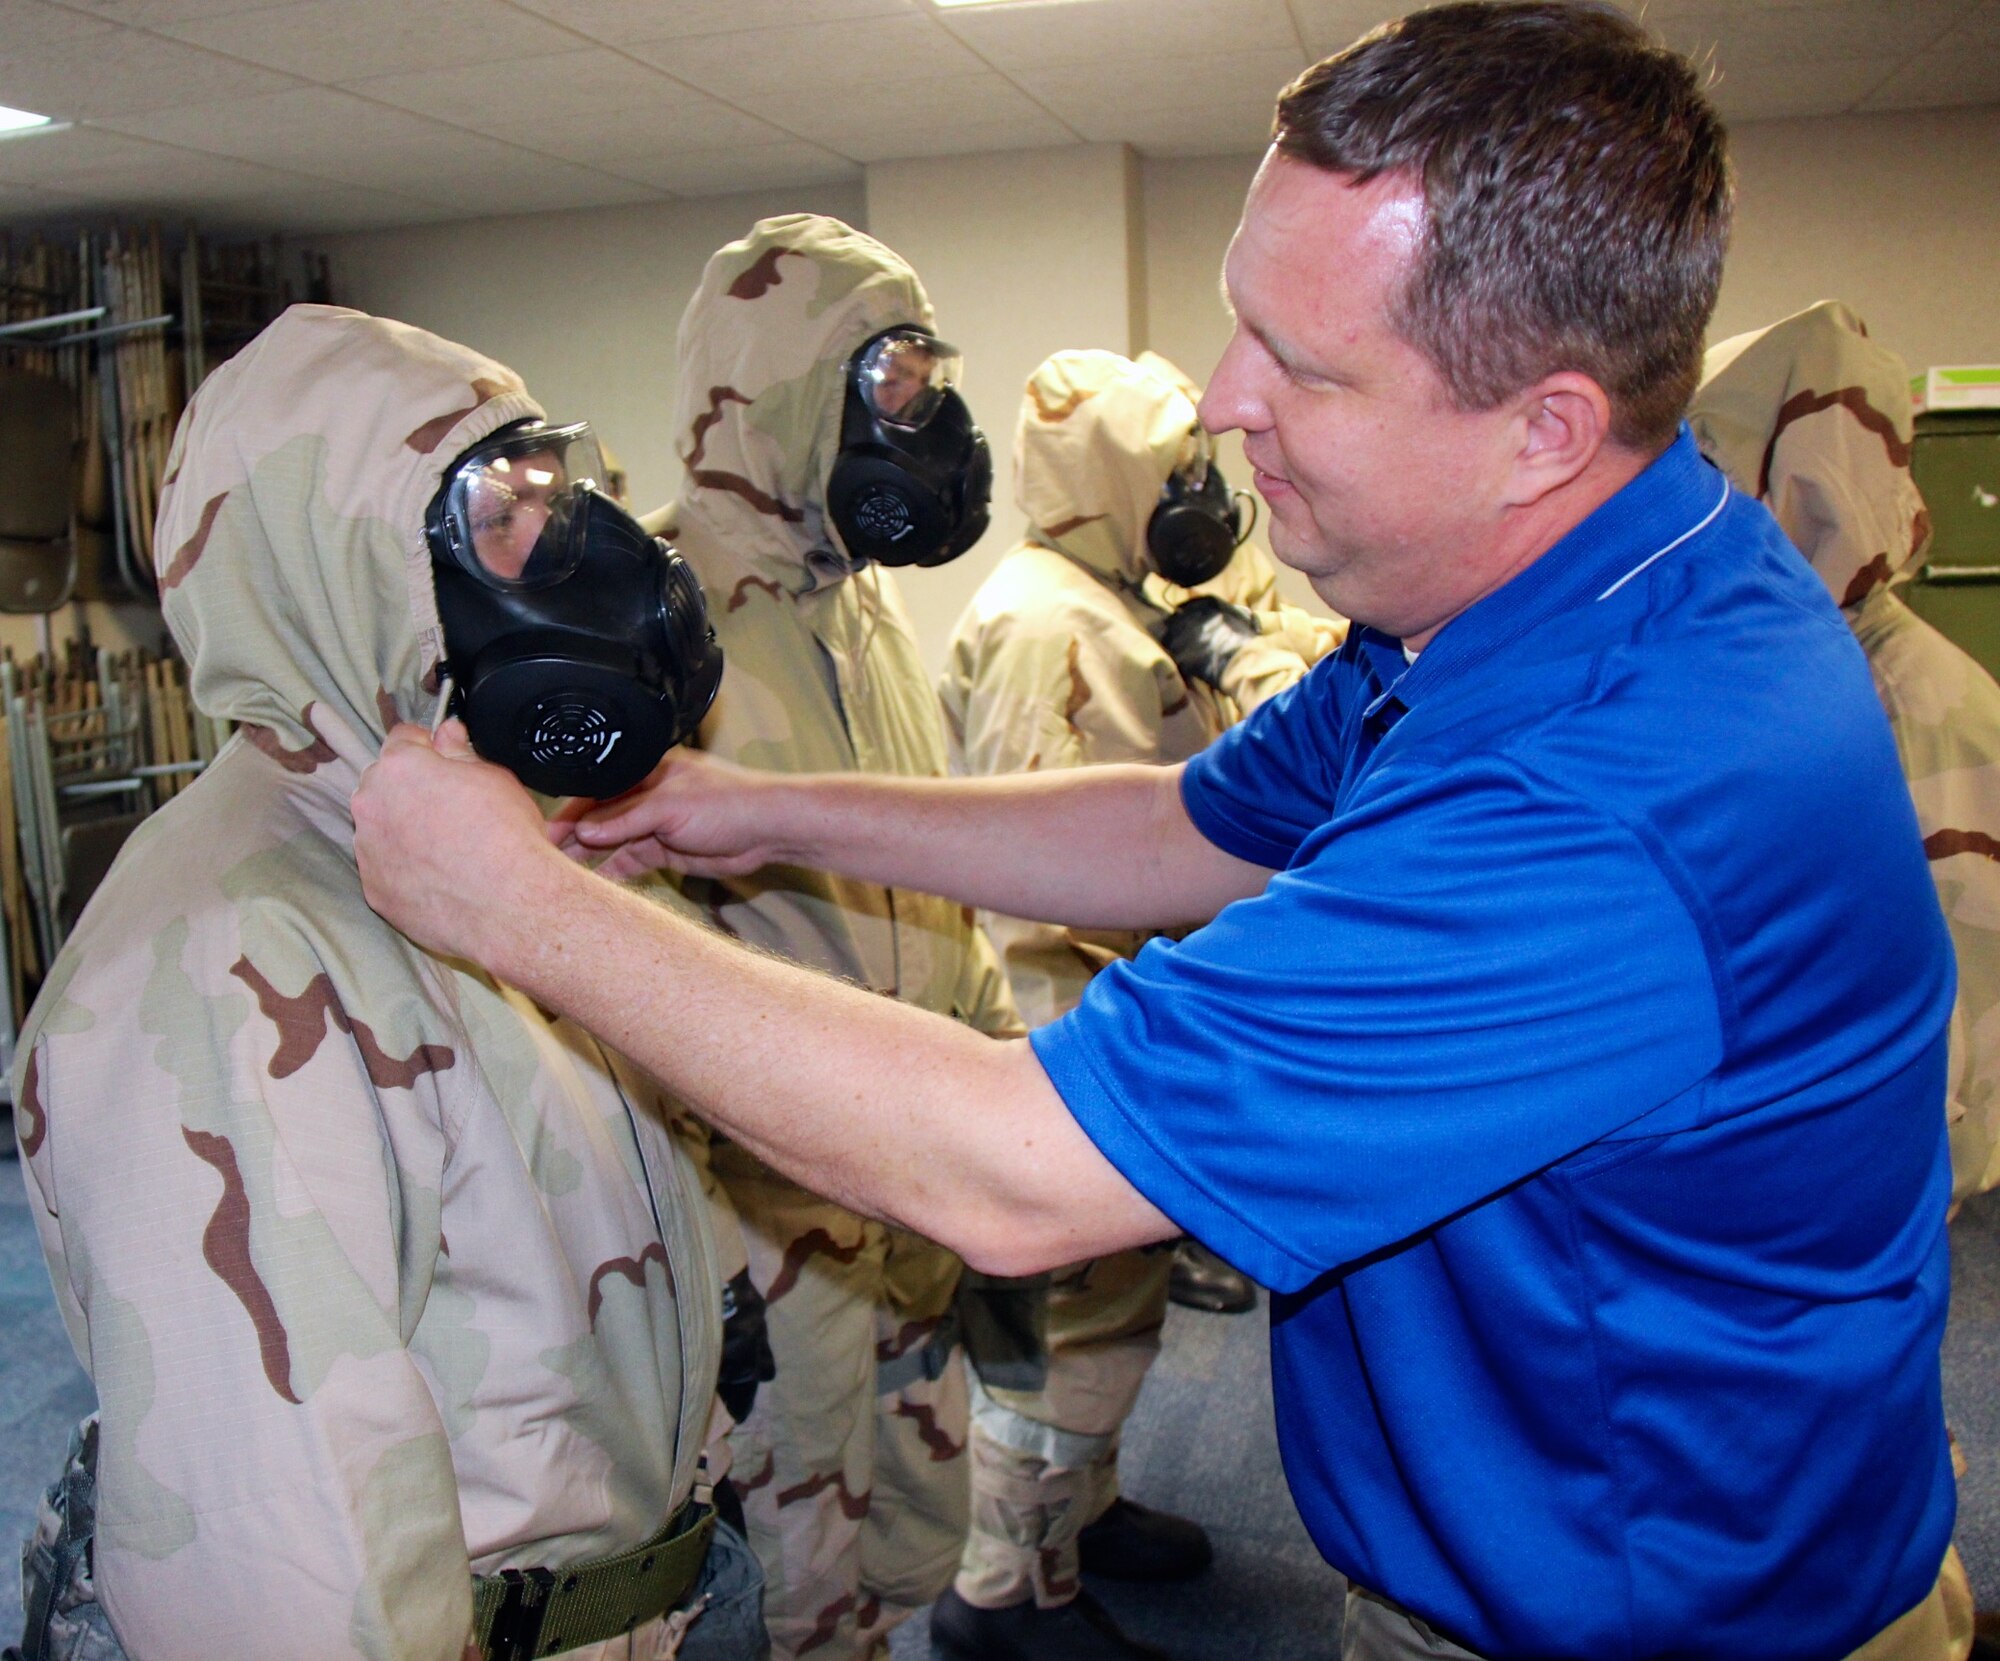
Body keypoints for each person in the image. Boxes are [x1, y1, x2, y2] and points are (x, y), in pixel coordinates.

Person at [352, 7, 1962, 1657]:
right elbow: (1182, 826)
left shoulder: (1609, 798)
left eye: (1302, 364)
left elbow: (1014, 1172)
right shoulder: (1529, 593)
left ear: (1541, 428)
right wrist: (754, 806)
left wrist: (515, 903)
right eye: (1239, 322)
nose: (1225, 399)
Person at [9, 304, 763, 1661]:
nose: (559, 557)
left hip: (656, 1599)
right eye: (493, 521)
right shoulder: (221, 963)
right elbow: (288, 1579)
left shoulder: (479, 847)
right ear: (339, 563)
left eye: (549, 501)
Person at [628, 214, 1021, 1661]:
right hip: (773, 1232)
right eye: (891, 381)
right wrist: (705, 1258)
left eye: (925, 382)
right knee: (791, 1582)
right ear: (790, 386)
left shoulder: (860, 611)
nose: (922, 420)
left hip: (908, 1191)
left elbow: (928, 881)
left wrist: (998, 1071)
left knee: (905, 1538)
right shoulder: (658, 627)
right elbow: (604, 974)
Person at [934, 346, 1342, 1661]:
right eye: (1177, 474)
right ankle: (1008, 1588)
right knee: (1062, 1336)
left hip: (1129, 1017)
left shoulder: (1110, 600)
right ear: (1111, 479)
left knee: (1112, 1317)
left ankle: (1083, 1512)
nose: (1203, 502)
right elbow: (1053, 883)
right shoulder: (1053, 624)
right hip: (1072, 1031)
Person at [1691, 297, 2000, 1661]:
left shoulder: (1897, 704)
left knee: (1838, 1483)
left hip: (1836, 1208)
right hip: (1789, 1213)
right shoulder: (1800, 678)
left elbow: (1943, 1039)